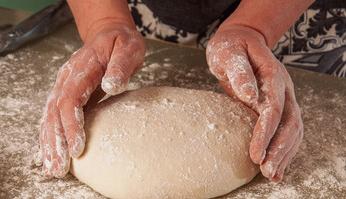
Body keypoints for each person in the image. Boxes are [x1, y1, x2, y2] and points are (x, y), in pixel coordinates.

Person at [38, 0, 315, 182]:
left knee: (263, 101)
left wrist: (255, 26)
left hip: (287, 19)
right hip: (141, 12)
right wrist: (104, 21)